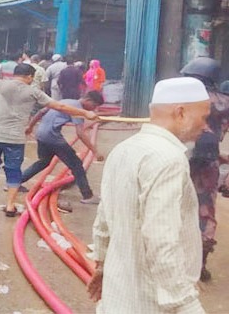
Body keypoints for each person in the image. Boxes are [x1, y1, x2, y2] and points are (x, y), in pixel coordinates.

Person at [88, 77, 210, 313]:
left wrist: (102, 264)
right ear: (181, 113)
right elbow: (161, 239)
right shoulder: (169, 159)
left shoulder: (123, 149)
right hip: (150, 300)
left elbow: (104, 218)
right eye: (204, 117)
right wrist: (185, 303)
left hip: (118, 293)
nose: (206, 126)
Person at [0, 64, 98, 216]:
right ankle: (10, 205)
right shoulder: (34, 91)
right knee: (13, 170)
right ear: (30, 77)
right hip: (14, 139)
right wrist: (85, 113)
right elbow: (58, 106)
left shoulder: (0, 84)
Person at [180, 56, 229, 282]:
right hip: (208, 166)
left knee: (173, 205)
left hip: (180, 158)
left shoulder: (182, 97)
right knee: (205, 211)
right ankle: (200, 263)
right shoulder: (224, 101)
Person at [21, 91, 104, 204]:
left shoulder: (65, 102)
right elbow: (80, 133)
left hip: (41, 134)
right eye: (94, 106)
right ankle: (87, 195)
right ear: (88, 100)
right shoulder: (77, 109)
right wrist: (95, 151)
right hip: (52, 137)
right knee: (77, 165)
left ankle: (15, 182)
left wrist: (30, 126)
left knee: (44, 161)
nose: (93, 110)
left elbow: (41, 111)